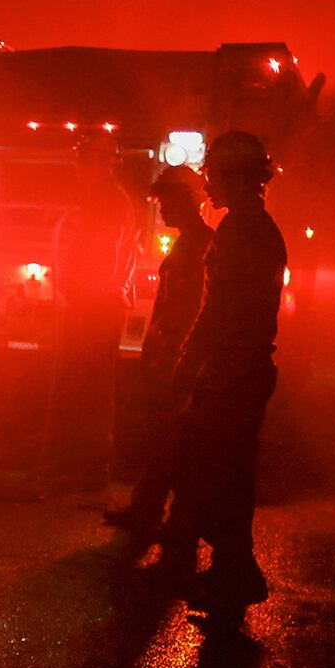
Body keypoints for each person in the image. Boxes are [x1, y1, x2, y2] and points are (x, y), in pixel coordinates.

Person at [168, 130, 287, 614]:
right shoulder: (257, 226)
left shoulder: (241, 230)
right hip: (245, 365)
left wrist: (187, 361)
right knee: (227, 471)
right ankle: (232, 570)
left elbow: (219, 308)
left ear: (233, 176)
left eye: (212, 173)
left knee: (219, 470)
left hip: (232, 369)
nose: (207, 182)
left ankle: (235, 572)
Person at [103, 164, 213, 538]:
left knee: (172, 438)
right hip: (171, 355)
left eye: (167, 200)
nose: (161, 208)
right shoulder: (191, 242)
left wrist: (178, 358)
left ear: (188, 200)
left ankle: (165, 519)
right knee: (163, 437)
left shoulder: (201, 246)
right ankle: (148, 510)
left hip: (179, 359)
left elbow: (194, 308)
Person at [36, 132, 137, 492]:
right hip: (89, 306)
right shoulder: (100, 200)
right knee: (78, 389)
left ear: (104, 164)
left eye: (88, 160)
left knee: (86, 391)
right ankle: (74, 469)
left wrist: (72, 292)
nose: (80, 167)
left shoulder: (109, 204)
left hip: (94, 309)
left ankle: (82, 472)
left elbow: (99, 260)